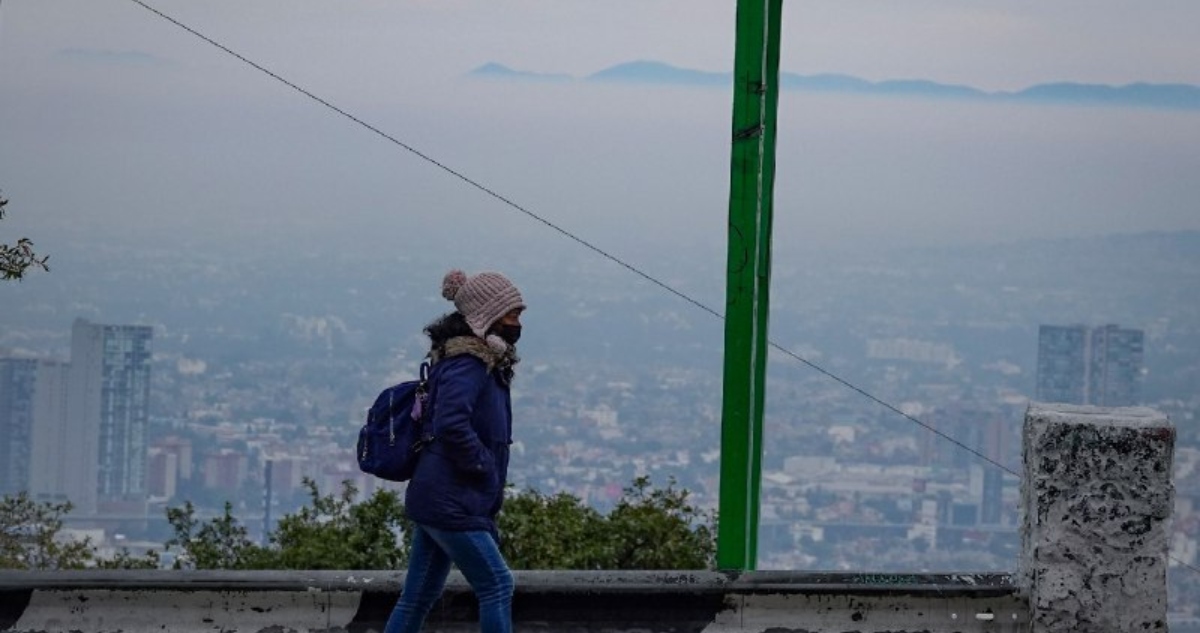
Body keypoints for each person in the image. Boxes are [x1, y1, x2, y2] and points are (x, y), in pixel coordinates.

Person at [384, 268, 525, 633]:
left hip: (442, 495)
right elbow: (451, 423)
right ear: (487, 316)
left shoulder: (478, 360)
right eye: (511, 314)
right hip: (451, 498)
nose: (517, 323)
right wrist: (483, 466)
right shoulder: (469, 361)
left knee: (416, 598)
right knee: (497, 584)